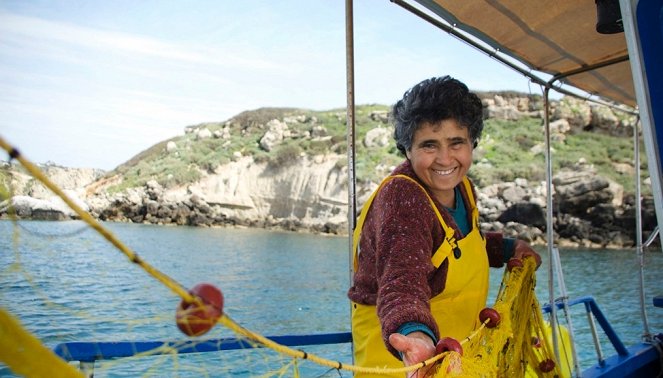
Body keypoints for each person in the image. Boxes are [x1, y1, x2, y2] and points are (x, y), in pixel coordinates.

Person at [347, 76, 541, 377]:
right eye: (429, 145)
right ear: (407, 149)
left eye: (456, 143)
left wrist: (506, 248)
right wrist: (415, 337)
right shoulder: (404, 198)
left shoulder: (462, 187)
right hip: (408, 365)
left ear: (472, 143)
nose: (445, 159)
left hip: (455, 359)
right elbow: (401, 281)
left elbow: (455, 245)